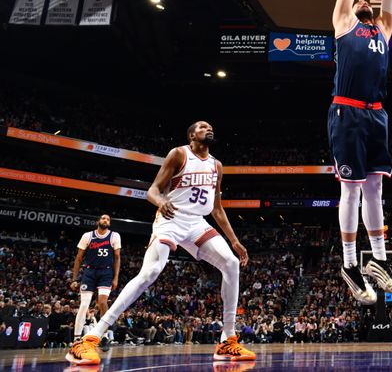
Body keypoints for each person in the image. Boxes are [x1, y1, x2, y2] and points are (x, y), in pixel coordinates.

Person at [66, 121, 255, 365]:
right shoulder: (179, 154)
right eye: (202, 126)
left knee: (231, 262)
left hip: (198, 222)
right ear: (191, 135)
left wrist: (235, 241)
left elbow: (217, 209)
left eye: (210, 127)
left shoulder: (216, 165)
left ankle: (228, 340)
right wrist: (160, 202)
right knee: (151, 272)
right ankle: (90, 338)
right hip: (171, 218)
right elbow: (152, 191)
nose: (208, 128)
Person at [329, 0, 392, 303]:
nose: (364, 2)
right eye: (360, 2)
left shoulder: (383, 32)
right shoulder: (344, 24)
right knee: (352, 189)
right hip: (347, 112)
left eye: (367, 4)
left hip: (376, 115)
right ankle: (349, 263)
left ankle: (378, 260)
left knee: (375, 187)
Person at [70, 214, 121, 350]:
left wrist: (116, 278)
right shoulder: (87, 235)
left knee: (103, 302)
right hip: (89, 272)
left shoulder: (114, 236)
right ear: (98, 221)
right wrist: (74, 279)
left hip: (106, 272)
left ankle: (103, 336)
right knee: (84, 304)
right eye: (103, 218)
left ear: (109, 223)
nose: (105, 220)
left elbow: (117, 258)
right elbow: (79, 258)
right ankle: (76, 338)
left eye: (108, 219)